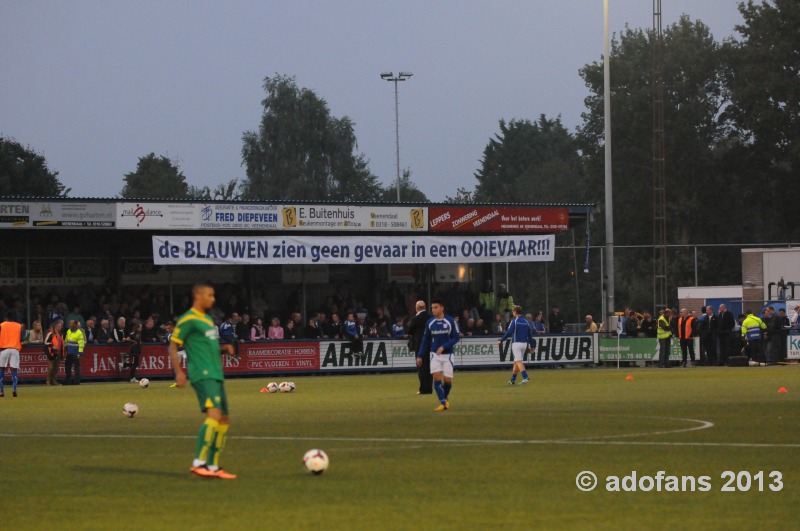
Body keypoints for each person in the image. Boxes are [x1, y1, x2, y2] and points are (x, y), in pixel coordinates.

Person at [168, 284, 237, 479]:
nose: (213, 299)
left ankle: (213, 466)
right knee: (214, 416)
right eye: (210, 295)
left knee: (224, 419)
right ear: (198, 296)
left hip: (216, 374)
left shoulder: (207, 320)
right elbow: (173, 346)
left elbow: (210, 348)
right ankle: (198, 463)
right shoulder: (188, 319)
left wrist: (224, 349)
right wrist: (179, 372)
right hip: (202, 374)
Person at [416, 299, 460, 412]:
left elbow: (456, 337)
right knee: (436, 377)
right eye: (432, 308)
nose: (433, 310)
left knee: (447, 381)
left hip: (448, 355)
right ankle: (442, 403)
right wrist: (420, 355)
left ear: (442, 308)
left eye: (435, 307)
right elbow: (426, 339)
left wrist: (444, 346)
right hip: (434, 354)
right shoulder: (430, 322)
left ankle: (444, 398)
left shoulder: (450, 321)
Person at [499, 305, 533, 385]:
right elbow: (530, 334)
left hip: (516, 343)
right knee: (516, 362)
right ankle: (512, 380)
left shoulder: (515, 321)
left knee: (518, 362)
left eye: (513, 311)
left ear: (515, 312)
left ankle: (525, 377)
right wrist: (532, 346)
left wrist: (501, 340)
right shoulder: (526, 321)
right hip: (524, 344)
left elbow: (509, 332)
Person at [407, 301, 432, 395]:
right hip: (430, 345)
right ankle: (429, 388)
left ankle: (423, 389)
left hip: (420, 345)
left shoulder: (415, 319)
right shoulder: (431, 318)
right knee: (429, 367)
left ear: (417, 308)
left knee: (421, 368)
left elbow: (410, 331)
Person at [0, 316, 25, 397]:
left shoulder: (2, 325)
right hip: (15, 349)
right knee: (14, 370)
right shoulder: (19, 326)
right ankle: (14, 389)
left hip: (4, 349)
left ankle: (1, 391)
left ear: (6, 318)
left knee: (2, 369)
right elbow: (21, 339)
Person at [64, 319, 85, 385]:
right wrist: (65, 348)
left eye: (72, 323)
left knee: (76, 367)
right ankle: (68, 380)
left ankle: (77, 381)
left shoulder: (79, 333)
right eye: (70, 323)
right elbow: (66, 341)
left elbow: (81, 344)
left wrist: (80, 353)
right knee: (67, 367)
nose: (70, 324)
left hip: (75, 353)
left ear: (75, 324)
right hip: (69, 352)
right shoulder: (68, 331)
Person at [44, 320, 64, 386]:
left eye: (61, 326)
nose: (60, 327)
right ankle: (48, 381)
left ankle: (54, 380)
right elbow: (46, 342)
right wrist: (52, 346)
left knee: (56, 368)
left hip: (58, 353)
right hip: (52, 353)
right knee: (51, 367)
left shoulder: (61, 334)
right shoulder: (51, 333)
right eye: (59, 325)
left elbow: (61, 344)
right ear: (56, 326)